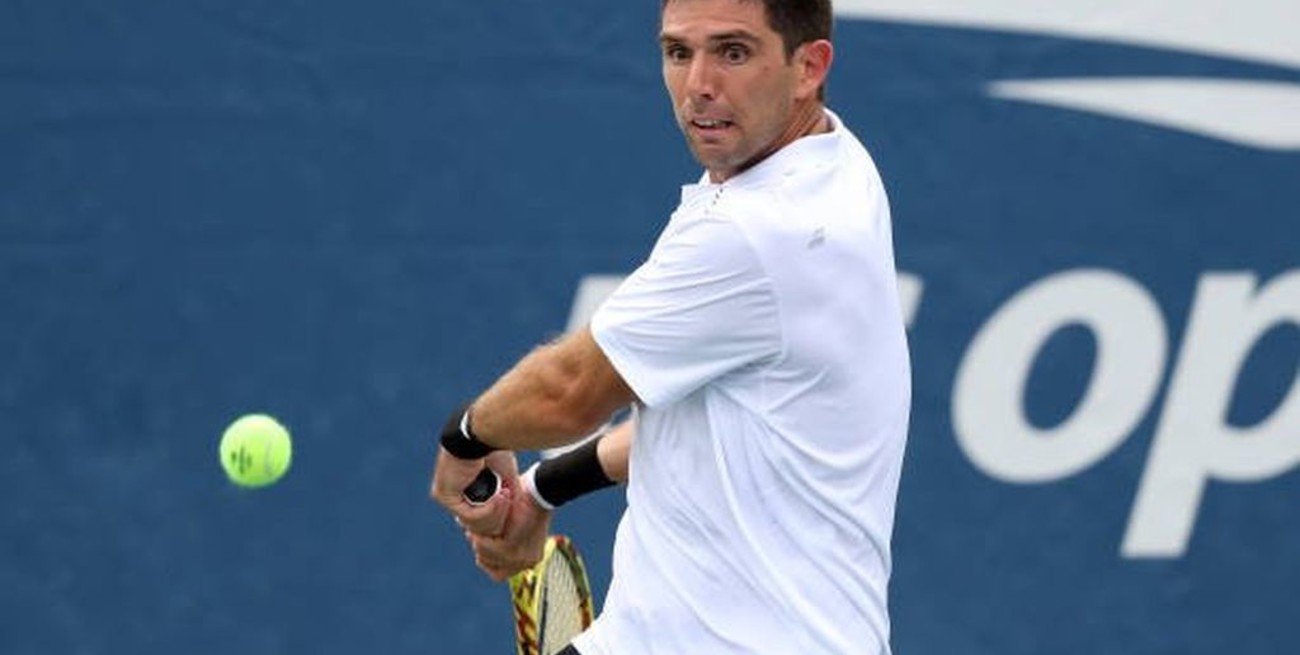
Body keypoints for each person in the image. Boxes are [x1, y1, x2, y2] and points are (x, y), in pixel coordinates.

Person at [430, 0, 911, 652]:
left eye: (733, 52)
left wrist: (465, 437)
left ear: (808, 66)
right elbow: (707, 428)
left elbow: (568, 393)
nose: (699, 85)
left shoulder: (752, 230)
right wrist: (543, 487)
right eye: (679, 52)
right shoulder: (837, 163)